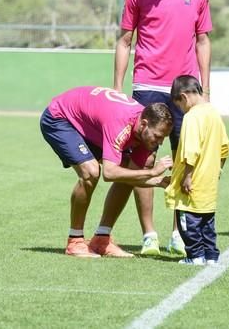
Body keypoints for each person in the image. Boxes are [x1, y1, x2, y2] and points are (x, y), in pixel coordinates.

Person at [114, 0, 213, 256]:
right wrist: (117, 89)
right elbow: (125, 42)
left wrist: (205, 89)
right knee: (145, 158)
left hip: (185, 89)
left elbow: (203, 41)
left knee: (186, 159)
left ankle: (178, 233)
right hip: (147, 84)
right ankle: (149, 235)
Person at [39, 86, 174, 258]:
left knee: (125, 170)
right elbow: (109, 173)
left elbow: (130, 174)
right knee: (91, 172)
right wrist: (152, 173)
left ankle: (101, 239)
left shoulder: (145, 134)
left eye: (163, 138)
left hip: (89, 126)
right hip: (60, 118)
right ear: (144, 124)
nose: (160, 142)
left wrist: (158, 182)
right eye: (157, 136)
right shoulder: (121, 122)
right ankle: (75, 242)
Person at [165, 75, 229, 265]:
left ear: (184, 97)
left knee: (188, 220)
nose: (180, 109)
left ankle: (194, 256)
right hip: (209, 180)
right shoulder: (213, 113)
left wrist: (187, 175)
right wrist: (217, 169)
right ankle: (211, 256)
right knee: (207, 221)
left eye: (179, 105)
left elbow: (191, 149)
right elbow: (225, 148)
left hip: (193, 179)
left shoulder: (192, 116)